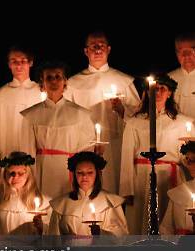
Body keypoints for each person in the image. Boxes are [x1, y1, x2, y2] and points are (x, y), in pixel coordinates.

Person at [65, 31, 141, 193]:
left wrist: (122, 110)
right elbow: (66, 116)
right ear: (86, 51)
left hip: (115, 145)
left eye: (101, 45)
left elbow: (139, 118)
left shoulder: (123, 81)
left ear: (109, 49)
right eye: (93, 46)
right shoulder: (72, 83)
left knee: (112, 191)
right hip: (83, 145)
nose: (98, 49)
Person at [119, 74, 195, 234]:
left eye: (163, 88)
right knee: (142, 220)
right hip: (142, 177)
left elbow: (184, 156)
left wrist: (189, 158)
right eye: (154, 88)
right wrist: (127, 189)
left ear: (170, 93)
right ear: (147, 92)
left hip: (169, 176)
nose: (158, 92)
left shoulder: (182, 123)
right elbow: (127, 157)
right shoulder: (135, 122)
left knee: (166, 219)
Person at [21, 61, 96, 199]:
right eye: (49, 77)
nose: (54, 80)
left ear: (65, 82)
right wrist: (29, 183)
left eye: (58, 77)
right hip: (43, 173)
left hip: (70, 173)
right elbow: (27, 153)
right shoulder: (30, 115)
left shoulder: (81, 114)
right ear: (42, 84)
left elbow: (87, 150)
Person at [0, 46, 42, 173]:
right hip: (7, 159)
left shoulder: (40, 93)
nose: (18, 65)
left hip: (37, 159)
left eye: (23, 60)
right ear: (9, 64)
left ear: (30, 63)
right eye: (14, 61)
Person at [49, 151, 128, 236]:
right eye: (80, 172)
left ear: (97, 174)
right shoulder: (61, 204)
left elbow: (121, 236)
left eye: (90, 172)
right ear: (74, 175)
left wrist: (100, 233)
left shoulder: (111, 203)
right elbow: (53, 239)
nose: (84, 176)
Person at [0, 152, 50, 235]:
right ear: (4, 174)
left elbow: (52, 234)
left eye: (20, 173)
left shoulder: (43, 203)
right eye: (11, 173)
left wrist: (42, 228)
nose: (15, 177)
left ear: (28, 175)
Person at [160, 142, 195, 235]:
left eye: (193, 160)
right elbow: (166, 228)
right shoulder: (178, 192)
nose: (188, 163)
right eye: (187, 159)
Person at [168, 32, 195, 118]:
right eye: (181, 51)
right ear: (176, 53)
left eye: (191, 50)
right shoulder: (168, 79)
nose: (186, 55)